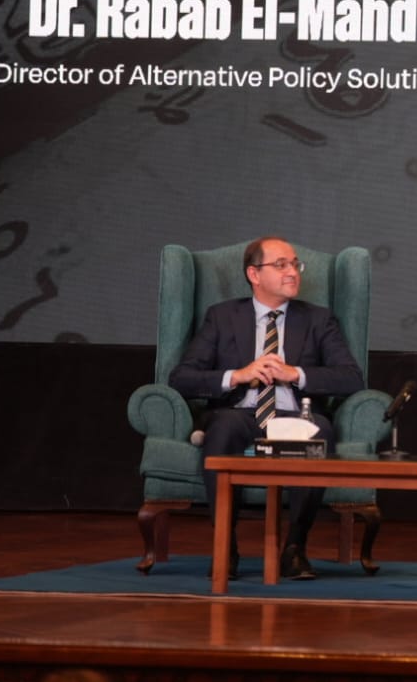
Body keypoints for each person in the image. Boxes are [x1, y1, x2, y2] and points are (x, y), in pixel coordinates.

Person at [169, 236, 364, 580]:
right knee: (223, 428)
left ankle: (295, 548)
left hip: (294, 414)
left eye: (295, 264)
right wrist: (237, 376)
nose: (293, 272)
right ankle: (225, 547)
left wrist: (295, 374)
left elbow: (351, 378)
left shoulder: (318, 320)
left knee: (318, 430)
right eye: (281, 265)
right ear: (254, 274)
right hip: (239, 413)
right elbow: (181, 378)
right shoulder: (222, 317)